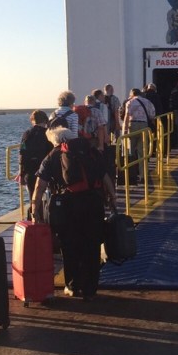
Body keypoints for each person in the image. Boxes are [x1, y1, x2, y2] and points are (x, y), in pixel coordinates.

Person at [30, 119, 117, 301]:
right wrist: (112, 199)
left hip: (67, 206)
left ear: (55, 141)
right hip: (93, 203)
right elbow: (105, 177)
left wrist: (34, 209)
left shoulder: (52, 156)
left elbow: (39, 186)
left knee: (70, 246)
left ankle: (73, 286)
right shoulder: (90, 151)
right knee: (92, 244)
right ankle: (90, 288)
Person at [18, 109, 51, 204]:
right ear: (45, 120)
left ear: (32, 120)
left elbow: (22, 153)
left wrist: (21, 173)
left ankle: (34, 212)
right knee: (47, 197)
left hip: (29, 170)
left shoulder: (26, 134)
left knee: (32, 197)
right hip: (44, 170)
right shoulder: (48, 134)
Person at [122, 88, 155, 164]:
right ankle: (142, 170)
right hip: (144, 125)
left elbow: (127, 116)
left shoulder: (130, 102)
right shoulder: (148, 102)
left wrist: (125, 130)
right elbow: (152, 115)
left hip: (133, 125)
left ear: (132, 94)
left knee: (131, 148)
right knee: (142, 150)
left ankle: (132, 168)